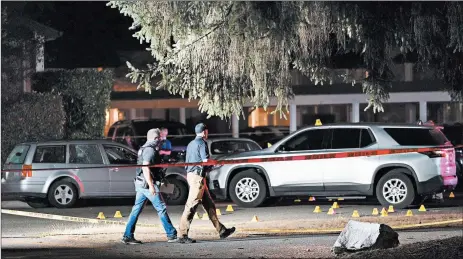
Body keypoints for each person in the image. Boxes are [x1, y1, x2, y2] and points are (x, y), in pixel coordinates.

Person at [178, 123, 235, 244]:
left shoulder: (191, 144)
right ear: (204, 132)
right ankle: (182, 235)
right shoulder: (202, 143)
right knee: (191, 205)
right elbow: (205, 162)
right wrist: (216, 164)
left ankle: (222, 230)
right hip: (197, 178)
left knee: (209, 205)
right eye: (207, 131)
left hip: (192, 176)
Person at [121, 128, 178, 244]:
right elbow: (145, 167)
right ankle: (171, 234)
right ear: (155, 138)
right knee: (161, 208)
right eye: (159, 138)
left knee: (136, 210)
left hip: (141, 184)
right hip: (147, 184)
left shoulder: (143, 149)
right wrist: (151, 186)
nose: (161, 141)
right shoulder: (150, 150)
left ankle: (127, 235)